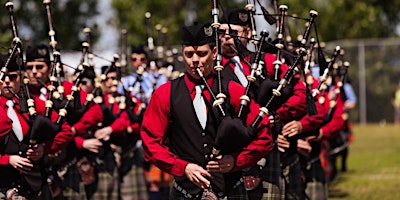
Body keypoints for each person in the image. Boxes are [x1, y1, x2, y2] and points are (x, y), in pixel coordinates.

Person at [141, 23, 273, 199]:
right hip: (184, 192)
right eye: (189, 54)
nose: (195, 60)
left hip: (230, 190)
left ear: (215, 53)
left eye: (202, 53)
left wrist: (236, 160)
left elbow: (264, 134)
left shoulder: (234, 91)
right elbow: (151, 142)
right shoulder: (165, 94)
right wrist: (183, 167)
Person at [219, 8, 307, 199]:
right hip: (229, 154)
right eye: (222, 33)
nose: (226, 37)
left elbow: (300, 93)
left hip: (265, 148)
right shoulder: (214, 69)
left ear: (248, 33)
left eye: (233, 32)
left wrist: (278, 115)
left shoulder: (267, 62)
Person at [0, 53, 74, 199]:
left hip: (34, 183)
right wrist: (7, 159)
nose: (7, 81)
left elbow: (66, 131)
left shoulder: (33, 104)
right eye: (2, 78)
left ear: (20, 78)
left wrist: (44, 148)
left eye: (13, 77)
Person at [94, 65, 149, 200]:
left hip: (129, 154)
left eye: (114, 78)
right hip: (105, 156)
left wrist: (114, 129)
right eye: (107, 78)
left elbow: (138, 121)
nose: (111, 82)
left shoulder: (128, 99)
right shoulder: (97, 100)